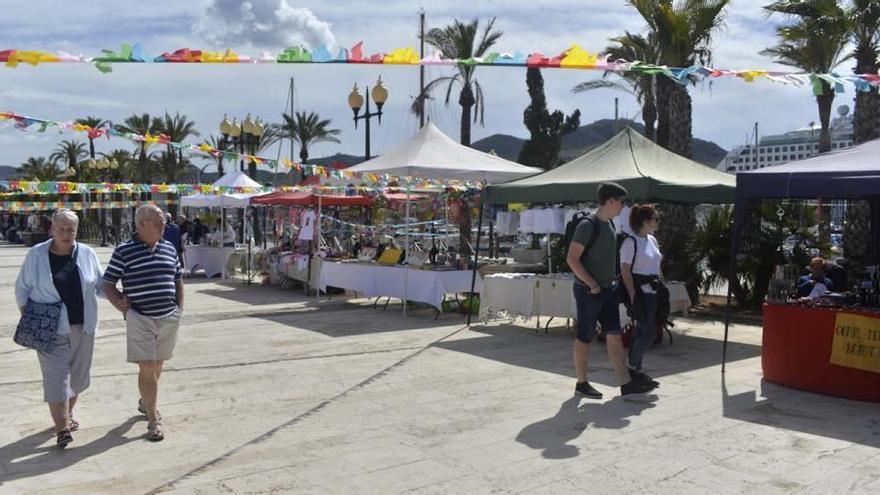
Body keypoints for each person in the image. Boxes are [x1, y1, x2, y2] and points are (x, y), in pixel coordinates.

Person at [14, 209, 105, 448]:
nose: (66, 234)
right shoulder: (36, 254)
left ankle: (67, 414)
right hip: (50, 328)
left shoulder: (87, 253)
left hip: (84, 325)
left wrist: (123, 299)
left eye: (71, 230)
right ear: (52, 229)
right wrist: (31, 317)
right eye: (61, 229)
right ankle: (62, 427)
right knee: (56, 379)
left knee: (77, 377)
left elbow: (100, 284)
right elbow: (22, 288)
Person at [566, 183, 656, 399]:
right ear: (611, 200)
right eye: (621, 202)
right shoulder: (588, 225)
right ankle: (582, 383)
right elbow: (571, 259)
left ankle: (626, 383)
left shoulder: (611, 226)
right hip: (589, 291)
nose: (622, 207)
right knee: (585, 336)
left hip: (607, 290)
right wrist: (592, 284)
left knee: (614, 335)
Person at [103, 204, 184, 442]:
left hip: (168, 316)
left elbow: (178, 279)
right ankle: (152, 420)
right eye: (159, 223)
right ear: (141, 225)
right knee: (147, 366)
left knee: (158, 365)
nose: (164, 226)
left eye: (164, 222)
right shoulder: (124, 251)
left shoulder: (169, 247)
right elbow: (108, 282)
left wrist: (180, 308)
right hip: (140, 317)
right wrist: (119, 302)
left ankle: (146, 401)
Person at [619, 204, 663, 388]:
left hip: (653, 291)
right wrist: (632, 295)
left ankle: (636, 368)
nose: (657, 221)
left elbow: (656, 263)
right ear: (646, 221)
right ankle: (633, 368)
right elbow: (625, 270)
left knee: (644, 332)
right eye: (655, 218)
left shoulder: (651, 239)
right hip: (640, 293)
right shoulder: (630, 242)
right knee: (649, 332)